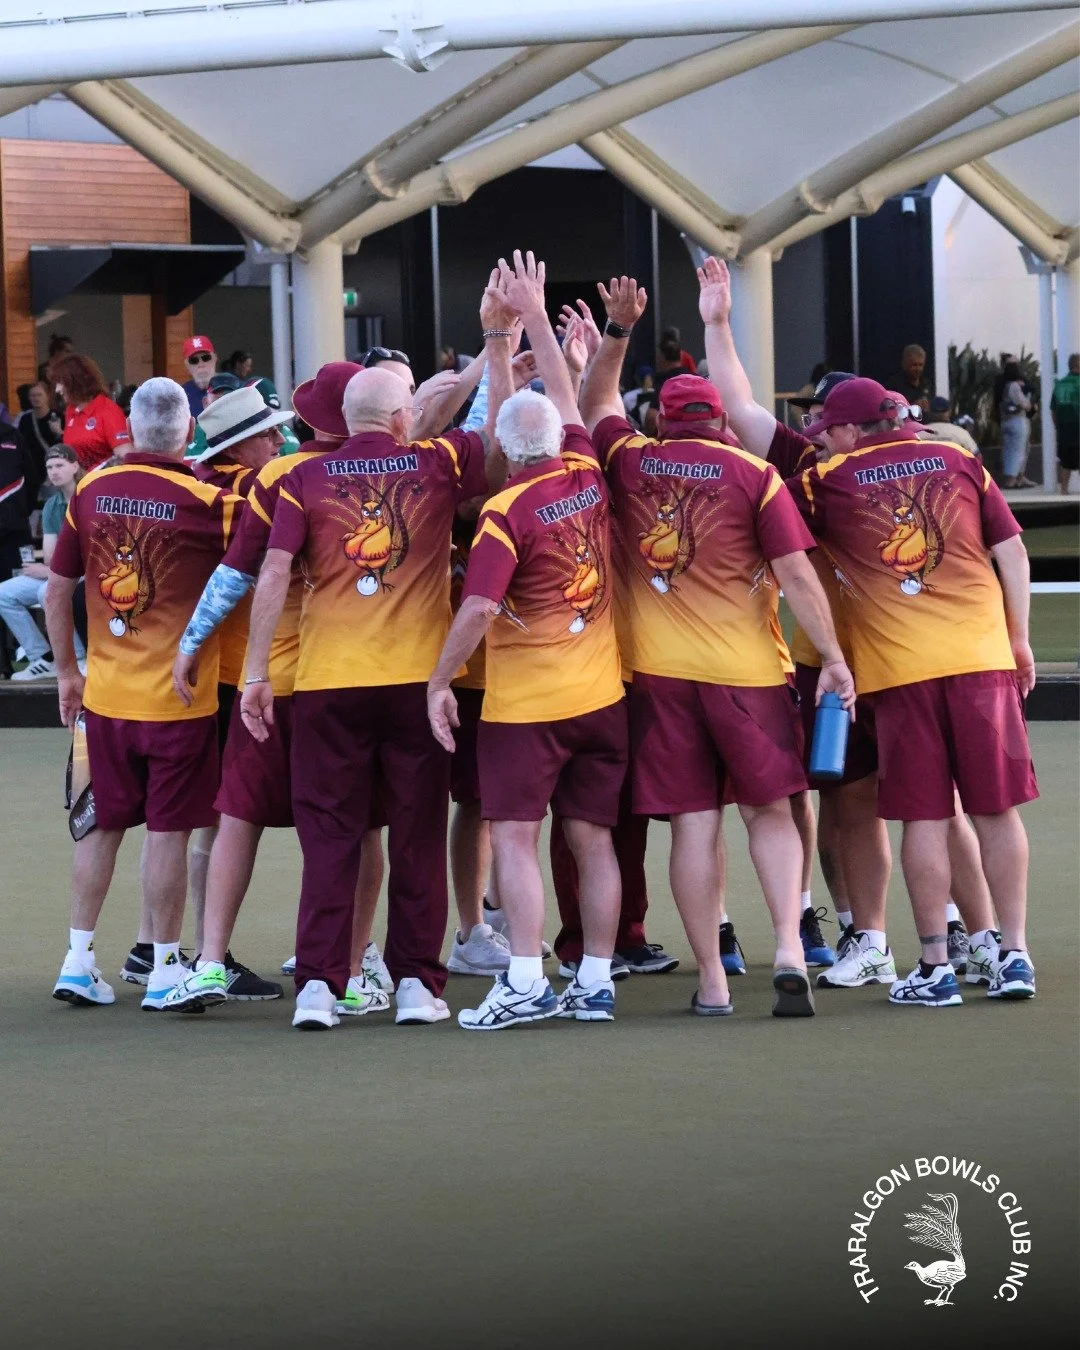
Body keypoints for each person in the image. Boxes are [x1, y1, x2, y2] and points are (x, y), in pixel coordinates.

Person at [581, 272, 855, 1019]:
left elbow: (596, 403)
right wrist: (832, 657)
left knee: (694, 825)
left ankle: (712, 979)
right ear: (721, 422)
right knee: (770, 813)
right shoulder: (756, 475)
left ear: (661, 421)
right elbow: (797, 575)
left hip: (661, 679)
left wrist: (617, 331)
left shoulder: (631, 460)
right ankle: (790, 949)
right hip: (749, 677)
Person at [241, 283, 514, 1031]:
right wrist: (497, 343)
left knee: (330, 838)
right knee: (416, 833)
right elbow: (497, 440)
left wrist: (257, 671)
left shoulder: (302, 476)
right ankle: (418, 985)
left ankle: (318, 987)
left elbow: (272, 572)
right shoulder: (434, 463)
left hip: (327, 686)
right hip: (417, 687)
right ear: (401, 419)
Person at [790, 375, 1038, 1007]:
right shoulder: (960, 459)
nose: (822, 443)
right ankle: (1014, 955)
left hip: (900, 674)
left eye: (828, 432)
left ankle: (934, 965)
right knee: (995, 812)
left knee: (924, 817)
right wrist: (1018, 640)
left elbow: (764, 527)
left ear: (852, 429)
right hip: (983, 661)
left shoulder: (827, 481)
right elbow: (1013, 553)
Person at [429, 251, 626, 1030]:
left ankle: (524, 980)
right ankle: (597, 980)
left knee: (513, 839)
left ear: (507, 452)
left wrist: (439, 680)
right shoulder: (586, 471)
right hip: (600, 699)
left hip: (526, 711)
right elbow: (567, 399)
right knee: (594, 842)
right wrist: (535, 317)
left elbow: (478, 609)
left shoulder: (503, 514)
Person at [45, 377, 244, 1011]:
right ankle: (162, 971)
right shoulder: (212, 502)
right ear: (190, 431)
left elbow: (55, 590)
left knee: (99, 828)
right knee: (168, 833)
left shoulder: (89, 490)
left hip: (104, 699)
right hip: (179, 704)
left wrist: (67, 672)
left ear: (129, 429)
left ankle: (78, 961)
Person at [0, 447, 85, 681]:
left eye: (60, 465)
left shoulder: (88, 498)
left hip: (88, 571)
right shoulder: (51, 505)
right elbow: (49, 556)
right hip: (60, 571)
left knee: (48, 590)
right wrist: (49, 570)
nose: (54, 471)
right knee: (3, 593)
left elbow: (91, 553)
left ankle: (77, 658)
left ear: (75, 466)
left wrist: (50, 571)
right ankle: (43, 657)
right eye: (49, 467)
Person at [48, 354, 129, 471]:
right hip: (81, 481)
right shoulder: (71, 410)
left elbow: (125, 457)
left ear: (75, 381)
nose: (57, 389)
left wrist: (94, 475)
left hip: (104, 481)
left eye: (61, 383)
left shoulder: (108, 411)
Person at [17, 381, 65, 489]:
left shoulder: (58, 417)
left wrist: (59, 432)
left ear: (47, 396)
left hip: (54, 471)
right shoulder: (25, 419)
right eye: (33, 395)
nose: (36, 398)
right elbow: (21, 444)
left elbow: (67, 444)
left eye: (39, 395)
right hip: (32, 472)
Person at [998, 360, 1034, 488]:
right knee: (1018, 450)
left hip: (1005, 420)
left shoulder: (1003, 385)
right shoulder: (1014, 386)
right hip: (1017, 420)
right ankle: (1012, 480)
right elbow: (1024, 404)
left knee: (1008, 450)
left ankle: (1015, 477)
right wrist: (1029, 404)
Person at [1050, 354, 1079, 494]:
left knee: (1066, 463)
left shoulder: (1059, 385)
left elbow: (1053, 409)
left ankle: (1063, 492)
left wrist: (1058, 426)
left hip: (1064, 431)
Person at [181, 336, 218, 418]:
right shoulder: (181, 395)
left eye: (206, 358)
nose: (201, 364)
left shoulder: (231, 386)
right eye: (194, 360)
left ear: (215, 359)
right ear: (187, 365)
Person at [893, 343, 931, 414]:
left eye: (920, 365)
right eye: (914, 365)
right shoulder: (895, 386)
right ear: (904, 364)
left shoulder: (926, 384)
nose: (918, 369)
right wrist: (912, 407)